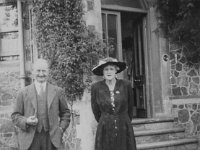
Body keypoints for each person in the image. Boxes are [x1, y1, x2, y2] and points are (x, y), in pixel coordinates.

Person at [11, 59, 71, 150]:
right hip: (30, 139)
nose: (41, 74)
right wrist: (26, 120)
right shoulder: (23, 92)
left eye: (44, 71)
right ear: (33, 72)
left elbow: (66, 113)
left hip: (52, 139)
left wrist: (61, 129)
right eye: (38, 71)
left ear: (48, 72)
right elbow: (15, 116)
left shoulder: (58, 91)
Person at [91, 57, 137, 150]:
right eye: (106, 69)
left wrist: (124, 120)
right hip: (104, 127)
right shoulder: (96, 87)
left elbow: (130, 107)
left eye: (111, 69)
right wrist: (106, 120)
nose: (109, 72)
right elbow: (95, 110)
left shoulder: (126, 85)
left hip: (124, 125)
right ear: (102, 72)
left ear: (116, 70)